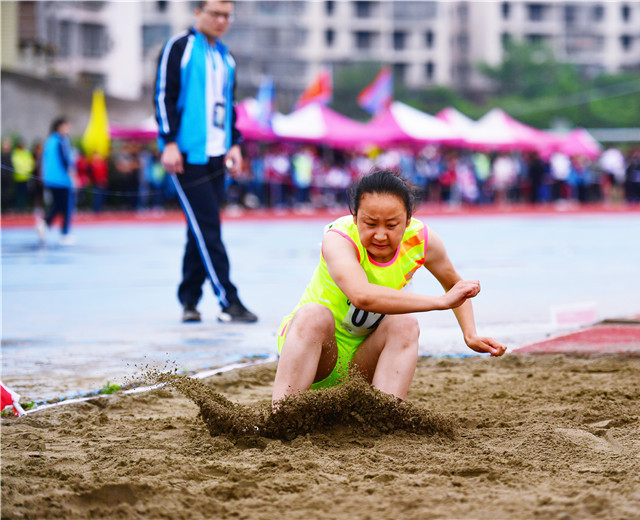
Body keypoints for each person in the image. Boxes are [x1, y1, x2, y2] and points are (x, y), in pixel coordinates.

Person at [272, 170, 507, 405]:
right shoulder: (339, 238)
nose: (381, 235)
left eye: (392, 225)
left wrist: (470, 334)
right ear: (355, 218)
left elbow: (455, 285)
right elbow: (361, 296)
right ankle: (282, 414)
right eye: (370, 224)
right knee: (314, 315)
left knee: (405, 324)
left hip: (361, 359)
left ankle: (383, 416)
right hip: (315, 353)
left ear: (407, 220)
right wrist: (440, 302)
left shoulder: (421, 240)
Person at [155, 0, 257, 323]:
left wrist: (234, 144)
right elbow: (163, 95)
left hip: (218, 156)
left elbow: (231, 105)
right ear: (198, 13)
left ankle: (189, 299)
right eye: (215, 13)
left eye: (227, 15)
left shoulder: (226, 57)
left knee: (199, 228)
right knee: (208, 227)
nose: (221, 20)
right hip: (186, 156)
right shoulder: (179, 47)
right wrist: (169, 141)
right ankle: (229, 300)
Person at [36, 117, 76, 246]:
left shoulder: (50, 140)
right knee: (67, 207)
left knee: (58, 205)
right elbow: (65, 160)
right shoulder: (61, 140)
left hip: (51, 179)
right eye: (67, 126)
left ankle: (45, 224)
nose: (69, 128)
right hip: (62, 179)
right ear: (60, 126)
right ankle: (64, 234)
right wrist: (72, 175)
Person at [11, 139, 35, 211]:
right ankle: (18, 207)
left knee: (25, 194)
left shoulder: (26, 153)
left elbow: (31, 163)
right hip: (18, 177)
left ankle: (24, 207)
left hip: (26, 177)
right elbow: (16, 164)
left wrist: (27, 170)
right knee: (18, 193)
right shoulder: (15, 153)